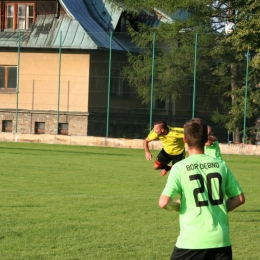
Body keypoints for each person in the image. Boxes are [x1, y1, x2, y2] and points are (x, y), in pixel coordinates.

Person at [159, 118, 245, 260]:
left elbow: (163, 202)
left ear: (184, 139)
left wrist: (176, 206)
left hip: (192, 241)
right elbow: (239, 198)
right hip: (221, 240)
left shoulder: (179, 167)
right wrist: (216, 209)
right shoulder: (220, 165)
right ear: (206, 138)